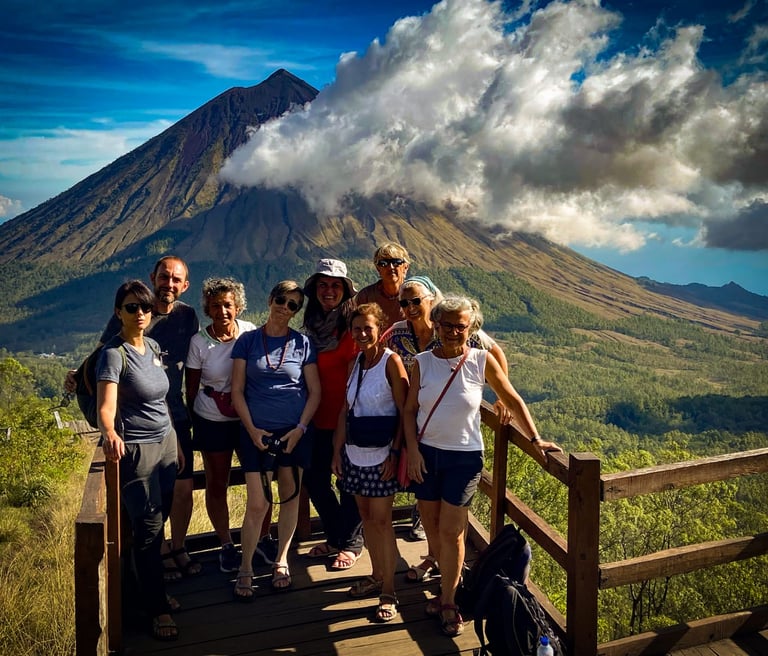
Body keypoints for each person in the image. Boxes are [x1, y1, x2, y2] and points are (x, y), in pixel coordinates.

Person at [403, 295, 561, 638]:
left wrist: (535, 439)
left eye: (461, 326)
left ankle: (448, 600)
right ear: (436, 325)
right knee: (431, 525)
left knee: (452, 531)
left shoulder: (480, 360)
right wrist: (412, 451)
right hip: (427, 454)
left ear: (470, 328)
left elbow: (513, 397)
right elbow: (409, 410)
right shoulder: (422, 363)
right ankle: (447, 578)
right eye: (446, 325)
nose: (453, 332)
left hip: (464, 457)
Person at [383, 275, 512, 573]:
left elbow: (494, 354)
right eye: (404, 302)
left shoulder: (457, 327)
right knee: (429, 507)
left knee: (447, 515)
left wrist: (501, 396)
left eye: (416, 300)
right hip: (417, 428)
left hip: (453, 440)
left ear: (431, 301)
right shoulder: (397, 331)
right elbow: (377, 353)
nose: (410, 307)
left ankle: (447, 569)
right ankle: (436, 558)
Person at [96, 256, 200, 580]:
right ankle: (154, 561)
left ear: (185, 286)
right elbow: (103, 357)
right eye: (164, 277)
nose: (168, 284)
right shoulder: (131, 314)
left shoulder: (187, 317)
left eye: (176, 279)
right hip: (138, 428)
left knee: (178, 491)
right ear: (153, 277)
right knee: (146, 505)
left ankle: (176, 547)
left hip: (174, 418)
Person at [97, 280, 181, 641]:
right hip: (138, 452)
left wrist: (173, 439)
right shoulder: (114, 355)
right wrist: (110, 433)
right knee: (147, 532)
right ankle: (157, 609)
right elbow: (106, 406)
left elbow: (161, 399)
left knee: (157, 522)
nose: (140, 313)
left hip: (166, 444)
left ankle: (151, 592)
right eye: (131, 307)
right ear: (119, 312)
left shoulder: (153, 346)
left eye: (145, 307)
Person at [230, 281, 320, 600]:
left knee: (290, 497)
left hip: (293, 433)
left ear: (297, 312)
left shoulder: (303, 344)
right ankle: (245, 567)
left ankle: (281, 560)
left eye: (293, 304)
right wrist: (253, 431)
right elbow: (237, 390)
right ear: (270, 300)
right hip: (255, 432)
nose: (285, 307)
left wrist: (300, 429)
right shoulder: (248, 342)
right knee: (258, 503)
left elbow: (315, 392)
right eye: (281, 300)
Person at [331, 303, 408, 622]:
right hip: (355, 453)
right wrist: (337, 450)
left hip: (382, 455)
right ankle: (377, 574)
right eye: (357, 328)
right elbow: (344, 411)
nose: (362, 334)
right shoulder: (354, 364)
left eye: (368, 328)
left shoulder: (392, 362)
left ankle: (389, 590)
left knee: (381, 521)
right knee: (365, 516)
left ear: (380, 329)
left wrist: (395, 453)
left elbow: (406, 413)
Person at [185, 277, 257, 574]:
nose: (222, 311)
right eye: (215, 306)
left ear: (238, 306)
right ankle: (226, 543)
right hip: (212, 419)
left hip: (247, 419)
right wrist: (193, 423)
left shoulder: (250, 332)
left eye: (227, 305)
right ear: (207, 309)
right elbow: (190, 389)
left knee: (257, 480)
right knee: (217, 483)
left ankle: (260, 539)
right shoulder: (199, 343)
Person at [302, 258, 365, 570]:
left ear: (345, 291)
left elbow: (357, 378)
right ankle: (337, 535)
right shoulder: (310, 325)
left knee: (347, 482)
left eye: (335, 285)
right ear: (315, 290)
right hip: (314, 419)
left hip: (345, 418)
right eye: (323, 285)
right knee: (315, 481)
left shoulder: (351, 330)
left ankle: (352, 544)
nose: (329, 291)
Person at [354, 242, 410, 328]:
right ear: (378, 269)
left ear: (406, 267)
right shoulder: (366, 296)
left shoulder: (414, 294)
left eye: (396, 262)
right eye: (384, 263)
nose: (390, 267)